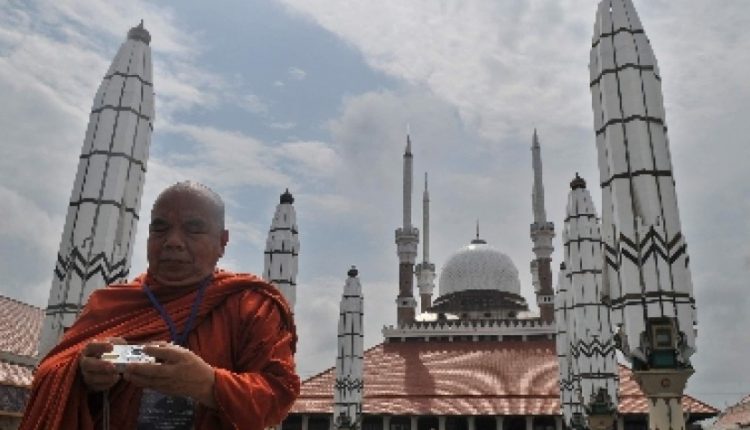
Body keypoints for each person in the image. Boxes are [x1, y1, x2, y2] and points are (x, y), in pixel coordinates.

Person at [20, 181, 300, 429]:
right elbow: (51, 373)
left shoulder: (251, 305)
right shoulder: (110, 303)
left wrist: (209, 384)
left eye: (193, 229)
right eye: (160, 228)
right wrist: (85, 374)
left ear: (222, 242)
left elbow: (279, 395)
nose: (173, 242)